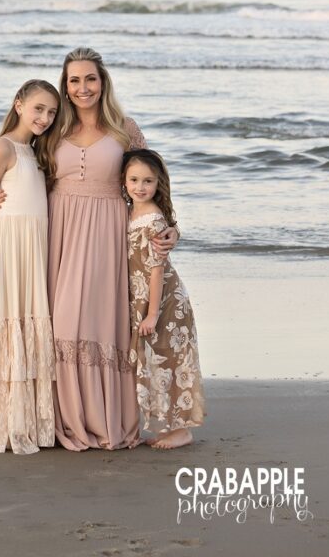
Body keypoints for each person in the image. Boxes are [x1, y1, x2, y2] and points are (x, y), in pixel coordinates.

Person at [47, 47, 179, 450]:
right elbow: (28, 171)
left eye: (90, 78)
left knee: (102, 323)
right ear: (65, 87)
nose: (82, 87)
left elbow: (151, 180)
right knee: (62, 323)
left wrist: (171, 227)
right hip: (59, 232)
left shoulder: (125, 128)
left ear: (102, 82)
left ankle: (107, 421)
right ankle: (65, 419)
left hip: (108, 233)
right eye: (74, 80)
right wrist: (2, 195)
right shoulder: (52, 129)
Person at [0, 79, 60, 454]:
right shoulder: (5, 147)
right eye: (39, 108)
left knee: (30, 322)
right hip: (8, 246)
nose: (45, 117)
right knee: (9, 326)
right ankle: (5, 424)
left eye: (52, 112)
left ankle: (33, 423)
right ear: (19, 104)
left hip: (34, 247)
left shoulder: (37, 151)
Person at [122, 148, 206, 449]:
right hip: (144, 300)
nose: (140, 187)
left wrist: (152, 314)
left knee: (172, 361)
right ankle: (169, 427)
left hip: (165, 302)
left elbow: (156, 271)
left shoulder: (154, 220)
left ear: (159, 184)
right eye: (133, 180)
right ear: (124, 179)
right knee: (155, 362)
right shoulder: (129, 210)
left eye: (148, 181)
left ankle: (183, 430)